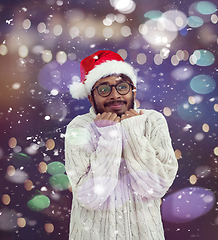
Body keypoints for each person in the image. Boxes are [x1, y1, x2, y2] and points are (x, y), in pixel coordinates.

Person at [65, 50, 178, 240]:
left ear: (133, 90)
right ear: (91, 98)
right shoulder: (80, 127)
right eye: (103, 89)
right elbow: (90, 197)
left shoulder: (153, 121)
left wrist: (132, 131)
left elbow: (155, 188)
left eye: (122, 87)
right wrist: (110, 136)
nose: (115, 95)